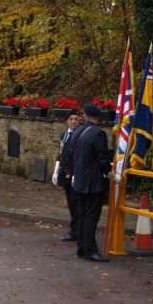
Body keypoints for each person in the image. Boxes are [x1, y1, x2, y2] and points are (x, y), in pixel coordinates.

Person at [71, 103, 121, 262]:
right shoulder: (98, 134)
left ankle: (81, 248)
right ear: (98, 117)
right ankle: (90, 251)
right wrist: (113, 176)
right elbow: (102, 160)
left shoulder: (77, 131)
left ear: (84, 115)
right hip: (93, 183)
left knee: (82, 215)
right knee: (91, 217)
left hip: (79, 181)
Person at [52, 109, 82, 242]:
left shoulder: (81, 135)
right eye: (71, 119)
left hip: (77, 173)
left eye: (76, 119)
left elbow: (81, 156)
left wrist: (76, 173)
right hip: (66, 173)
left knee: (77, 203)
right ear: (67, 121)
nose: (74, 121)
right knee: (70, 202)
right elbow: (61, 153)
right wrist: (56, 170)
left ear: (80, 120)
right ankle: (75, 229)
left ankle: (76, 231)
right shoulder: (64, 135)